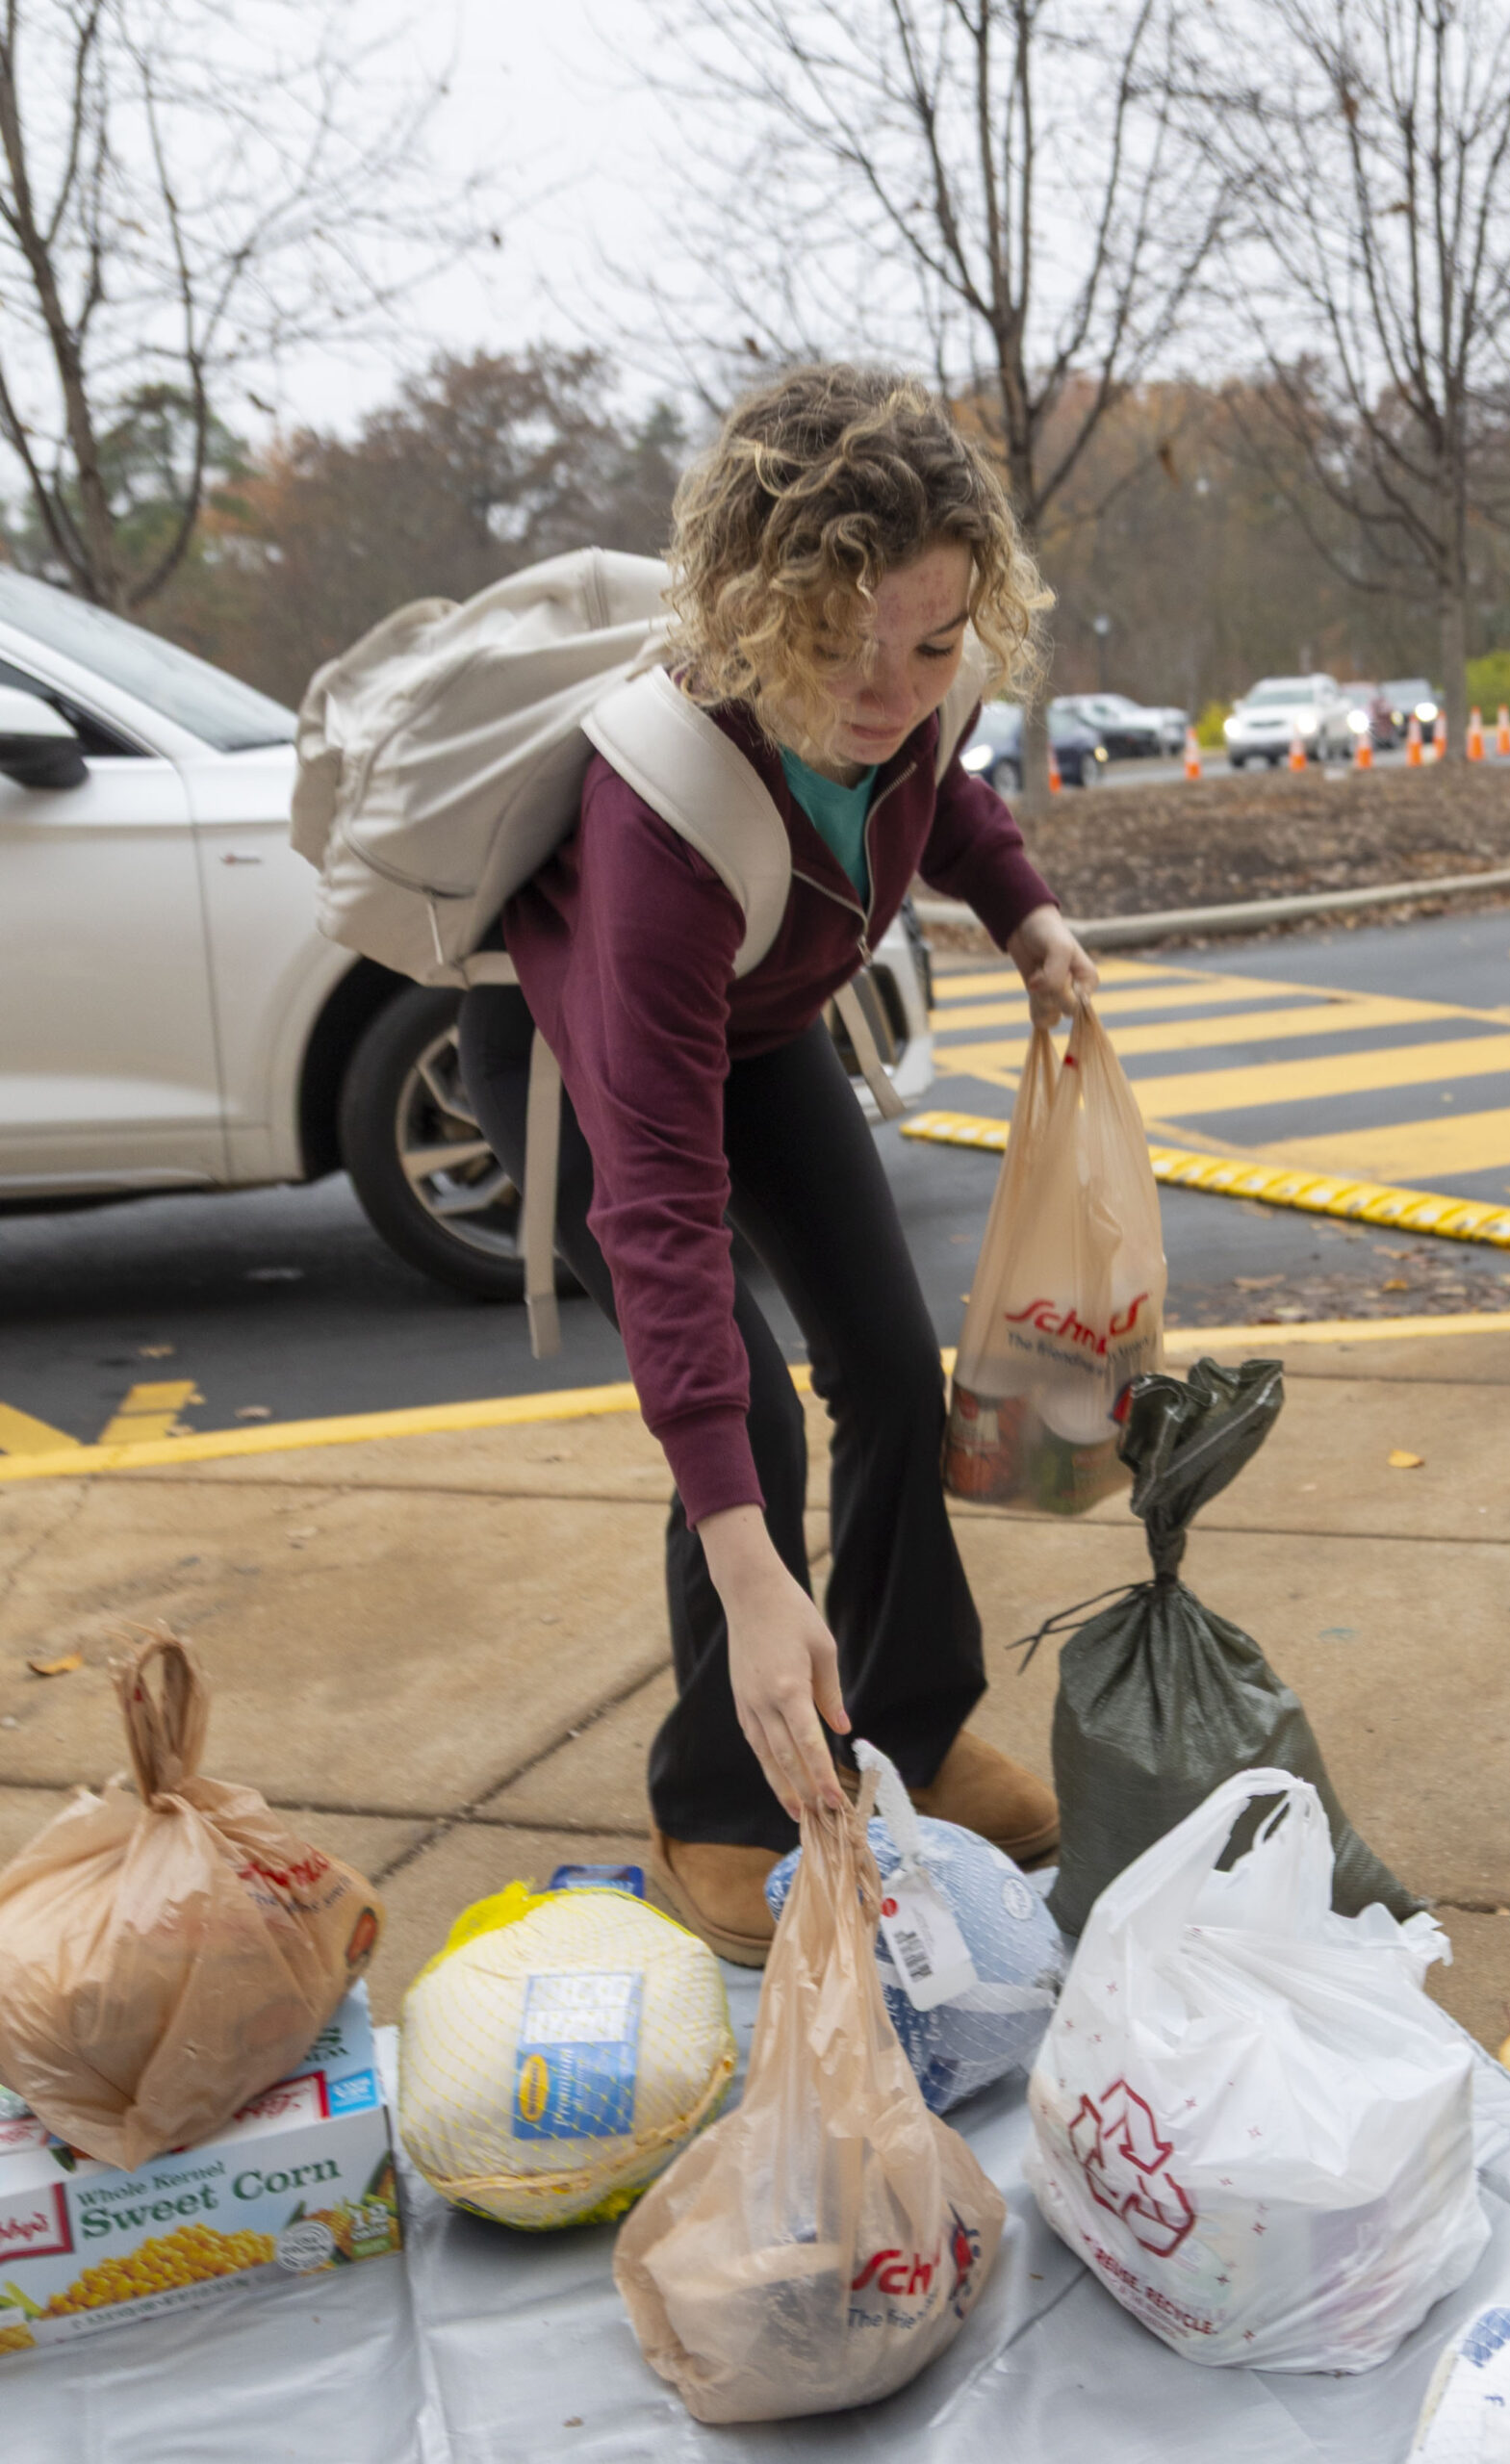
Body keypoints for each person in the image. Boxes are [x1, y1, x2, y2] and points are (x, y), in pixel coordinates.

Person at [460, 364, 1097, 1964]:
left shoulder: (921, 682)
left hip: (758, 1025)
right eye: (839, 647)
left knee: (889, 1365)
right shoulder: (658, 823)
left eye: (933, 646)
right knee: (741, 1412)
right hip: (580, 1054)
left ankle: (909, 1729)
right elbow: (660, 1214)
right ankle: (716, 1798)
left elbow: (938, 788)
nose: (891, 689)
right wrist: (754, 1576)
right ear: (756, 613)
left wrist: (1023, 910)